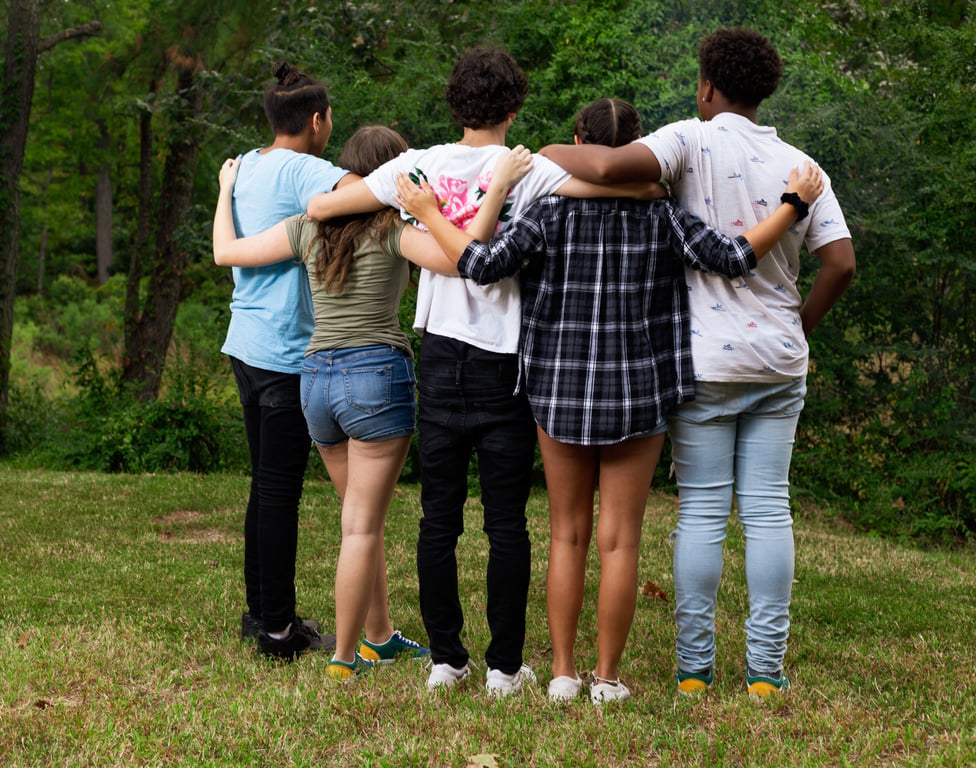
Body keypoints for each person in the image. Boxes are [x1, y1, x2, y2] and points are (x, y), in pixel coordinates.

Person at [399, 96, 823, 704]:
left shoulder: (546, 213)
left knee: (566, 536)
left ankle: (563, 675)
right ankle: (607, 678)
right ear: (636, 145)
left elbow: (481, 265)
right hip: (640, 394)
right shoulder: (665, 215)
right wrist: (792, 205)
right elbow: (733, 258)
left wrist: (424, 213)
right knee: (620, 540)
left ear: (579, 139)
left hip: (557, 390)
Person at [306, 48, 657, 696]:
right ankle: (503, 667)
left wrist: (398, 202)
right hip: (503, 358)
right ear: (515, 107)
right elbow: (616, 186)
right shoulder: (528, 168)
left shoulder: (418, 167)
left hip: (438, 353)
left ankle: (446, 659)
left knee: (438, 515)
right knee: (506, 522)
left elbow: (326, 209)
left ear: (452, 105)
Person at [539, 29, 856, 698]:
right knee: (769, 511)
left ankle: (693, 671)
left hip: (706, 360)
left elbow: (602, 170)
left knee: (704, 513)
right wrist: (798, 325)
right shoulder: (803, 165)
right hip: (778, 361)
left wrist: (542, 152)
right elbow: (841, 263)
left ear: (708, 86)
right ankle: (765, 673)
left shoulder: (686, 138)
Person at [214, 127, 534, 679]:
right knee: (360, 526)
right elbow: (464, 260)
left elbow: (226, 253)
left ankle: (379, 636)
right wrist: (492, 190)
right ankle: (344, 658)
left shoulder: (306, 227)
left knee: (360, 521)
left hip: (313, 380)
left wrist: (226, 191)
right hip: (373, 378)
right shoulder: (394, 227)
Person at [222, 61, 357, 661]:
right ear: (317, 120)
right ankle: (279, 630)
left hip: (244, 344)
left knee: (263, 484)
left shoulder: (246, 166)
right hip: (283, 350)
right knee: (279, 490)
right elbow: (370, 189)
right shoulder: (307, 168)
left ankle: (261, 613)